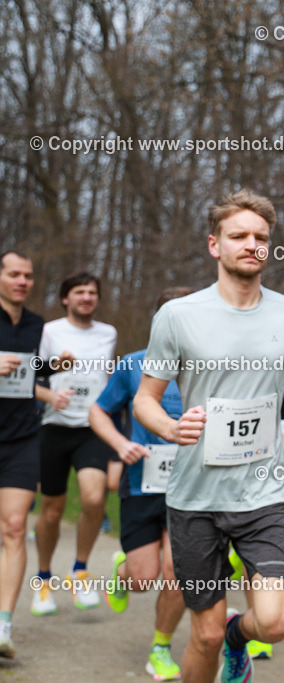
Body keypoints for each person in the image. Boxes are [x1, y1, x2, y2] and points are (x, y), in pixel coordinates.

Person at [133, 189, 284, 683]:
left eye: (261, 237)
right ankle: (224, 640)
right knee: (205, 635)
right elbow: (144, 400)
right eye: (239, 235)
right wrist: (171, 427)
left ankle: (243, 636)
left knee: (275, 623)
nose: (252, 244)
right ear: (215, 245)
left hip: (265, 491)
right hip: (196, 496)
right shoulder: (178, 316)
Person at [89, 286, 193, 681]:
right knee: (144, 578)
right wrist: (121, 442)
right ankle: (123, 571)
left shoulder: (211, 366)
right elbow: (99, 412)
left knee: (177, 570)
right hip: (141, 484)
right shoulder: (133, 365)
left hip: (191, 487)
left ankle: (160, 647)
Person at [32, 271, 118, 614]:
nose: (87, 297)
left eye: (92, 292)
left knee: (95, 498)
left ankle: (80, 570)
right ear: (65, 298)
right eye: (79, 292)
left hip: (92, 427)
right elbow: (29, 375)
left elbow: (109, 377)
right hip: (54, 427)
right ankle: (42, 580)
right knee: (51, 511)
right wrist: (50, 394)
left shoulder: (108, 333)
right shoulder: (49, 331)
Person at [0, 250, 65, 657]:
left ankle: (3, 626)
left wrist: (52, 371)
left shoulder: (37, 324)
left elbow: (31, 376)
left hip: (23, 437)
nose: (22, 281)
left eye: (27, 275)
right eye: (14, 274)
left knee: (14, 526)